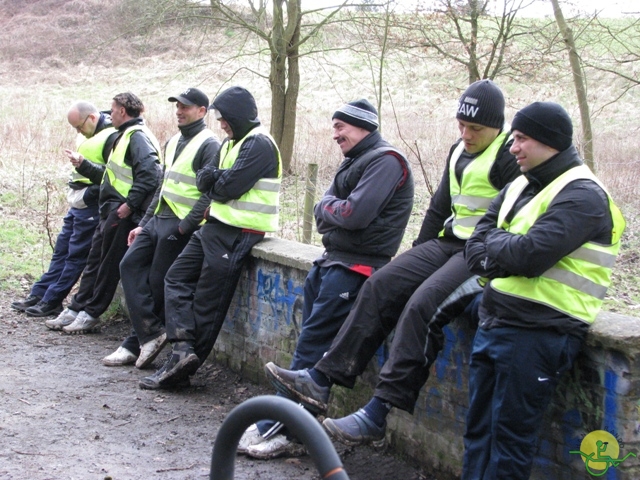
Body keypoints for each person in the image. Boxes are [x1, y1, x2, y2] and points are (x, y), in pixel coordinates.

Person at [264, 79, 521, 447]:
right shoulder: (457, 151)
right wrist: (417, 257)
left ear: (498, 126)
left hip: (479, 252)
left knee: (420, 306)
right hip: (448, 242)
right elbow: (438, 210)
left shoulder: (508, 156)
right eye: (461, 126)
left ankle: (377, 413)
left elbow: (514, 217)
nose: (466, 134)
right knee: (382, 284)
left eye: (475, 128)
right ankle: (321, 380)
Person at [241, 99, 415, 459]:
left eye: (341, 126)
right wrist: (330, 209)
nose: (334, 134)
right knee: (310, 345)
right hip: (332, 263)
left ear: (363, 125)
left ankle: (285, 431)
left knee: (311, 348)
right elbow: (328, 212)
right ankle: (285, 427)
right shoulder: (356, 161)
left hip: (356, 270)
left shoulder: (386, 161)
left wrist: (329, 208)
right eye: (334, 126)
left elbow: (353, 214)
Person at [461, 102, 625, 479]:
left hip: (539, 333)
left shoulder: (583, 196)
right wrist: (506, 247)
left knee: (510, 443)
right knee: (477, 433)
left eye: (521, 139)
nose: (512, 147)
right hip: (496, 322)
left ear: (549, 142)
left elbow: (529, 256)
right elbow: (475, 247)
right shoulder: (520, 183)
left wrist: (500, 245)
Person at [139, 86, 281, 390]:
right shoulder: (232, 143)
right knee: (175, 279)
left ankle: (183, 368)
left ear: (239, 116)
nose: (221, 123)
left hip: (238, 231)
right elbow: (208, 181)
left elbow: (226, 187)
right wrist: (215, 180)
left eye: (224, 117)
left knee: (207, 300)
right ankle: (182, 349)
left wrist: (214, 180)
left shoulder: (259, 144)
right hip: (215, 226)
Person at [102, 88, 221, 367]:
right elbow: (163, 184)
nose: (179, 111)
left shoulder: (209, 144)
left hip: (178, 223)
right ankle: (150, 334)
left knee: (157, 283)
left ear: (202, 111)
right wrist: (144, 223)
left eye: (186, 107)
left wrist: (185, 226)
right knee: (128, 265)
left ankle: (135, 343)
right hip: (157, 219)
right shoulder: (175, 139)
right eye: (177, 106)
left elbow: (209, 191)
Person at [45, 92, 162, 333]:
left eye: (112, 109)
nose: (108, 114)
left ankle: (91, 313)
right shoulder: (123, 135)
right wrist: (83, 165)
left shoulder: (137, 137)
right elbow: (111, 176)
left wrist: (129, 205)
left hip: (122, 212)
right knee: (95, 260)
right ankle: (77, 308)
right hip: (111, 209)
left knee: (108, 265)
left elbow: (151, 175)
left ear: (122, 111)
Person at [11, 102, 117, 318]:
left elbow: (115, 176)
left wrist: (90, 194)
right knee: (61, 251)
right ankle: (40, 293)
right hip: (78, 200)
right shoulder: (90, 132)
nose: (78, 132)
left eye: (79, 126)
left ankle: (52, 299)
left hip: (91, 203)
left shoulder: (113, 136)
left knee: (75, 255)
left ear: (92, 118)